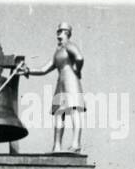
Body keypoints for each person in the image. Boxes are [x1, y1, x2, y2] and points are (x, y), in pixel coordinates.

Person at [21, 23, 86, 153]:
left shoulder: (70, 45)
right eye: (58, 32)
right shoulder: (58, 51)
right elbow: (44, 69)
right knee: (58, 113)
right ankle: (56, 146)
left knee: (73, 110)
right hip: (61, 84)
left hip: (71, 82)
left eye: (60, 31)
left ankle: (76, 143)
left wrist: (76, 70)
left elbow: (79, 57)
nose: (58, 34)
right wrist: (28, 71)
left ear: (66, 32)